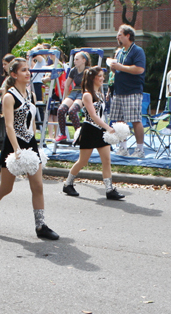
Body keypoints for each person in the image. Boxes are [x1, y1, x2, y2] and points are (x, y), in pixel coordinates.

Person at [0, 58, 59, 240]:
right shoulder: (9, 96)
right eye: (23, 70)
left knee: (38, 186)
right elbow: (9, 126)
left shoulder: (31, 94)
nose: (28, 73)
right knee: (6, 187)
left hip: (30, 143)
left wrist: (36, 143)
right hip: (14, 145)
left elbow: (32, 121)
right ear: (14, 74)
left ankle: (40, 226)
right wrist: (17, 150)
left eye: (28, 69)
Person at [63, 66, 124, 200]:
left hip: (101, 130)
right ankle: (68, 183)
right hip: (90, 130)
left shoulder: (100, 94)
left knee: (107, 160)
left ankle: (109, 189)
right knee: (83, 161)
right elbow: (93, 115)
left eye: (103, 76)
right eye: (100, 76)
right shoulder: (87, 95)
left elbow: (101, 115)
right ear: (92, 78)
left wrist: (106, 128)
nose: (102, 78)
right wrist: (108, 127)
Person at [109, 25, 146, 158]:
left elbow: (139, 69)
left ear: (128, 36)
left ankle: (139, 150)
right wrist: (114, 68)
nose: (117, 37)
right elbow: (119, 70)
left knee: (135, 120)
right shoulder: (120, 52)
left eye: (120, 34)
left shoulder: (137, 51)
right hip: (119, 90)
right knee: (119, 121)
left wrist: (121, 67)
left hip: (132, 91)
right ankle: (123, 147)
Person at [55, 51, 91, 143]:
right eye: (74, 59)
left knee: (72, 111)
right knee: (61, 110)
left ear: (83, 60)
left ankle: (78, 134)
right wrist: (65, 98)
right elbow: (67, 84)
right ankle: (63, 133)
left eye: (77, 59)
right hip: (74, 92)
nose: (75, 61)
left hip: (83, 92)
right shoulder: (73, 70)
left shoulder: (88, 71)